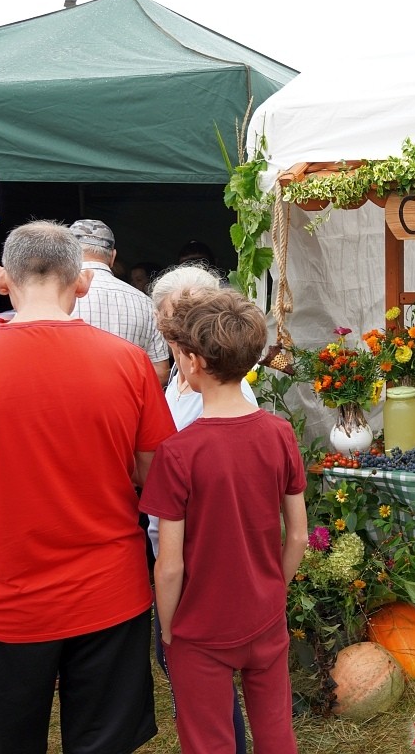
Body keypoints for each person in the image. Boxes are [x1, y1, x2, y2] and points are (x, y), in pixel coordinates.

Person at [0, 221, 176, 754]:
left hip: (9, 603)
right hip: (111, 595)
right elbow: (158, 481)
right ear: (81, 282)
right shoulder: (130, 365)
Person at [140, 287, 307, 753]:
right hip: (265, 614)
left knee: (208, 741)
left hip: (199, 628)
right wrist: (276, 587)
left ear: (192, 361)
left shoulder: (178, 453)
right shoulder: (280, 433)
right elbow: (296, 535)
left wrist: (169, 627)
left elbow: (169, 564)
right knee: (276, 732)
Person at [146, 264, 258, 754]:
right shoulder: (179, 381)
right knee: (191, 678)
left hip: (196, 560)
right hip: (176, 552)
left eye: (192, 317)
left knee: (197, 674)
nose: (181, 331)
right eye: (173, 320)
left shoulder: (228, 397)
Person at [69, 219, 170, 384]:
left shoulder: (57, 296)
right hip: (128, 406)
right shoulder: (146, 303)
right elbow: (160, 372)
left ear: (68, 253)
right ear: (113, 256)